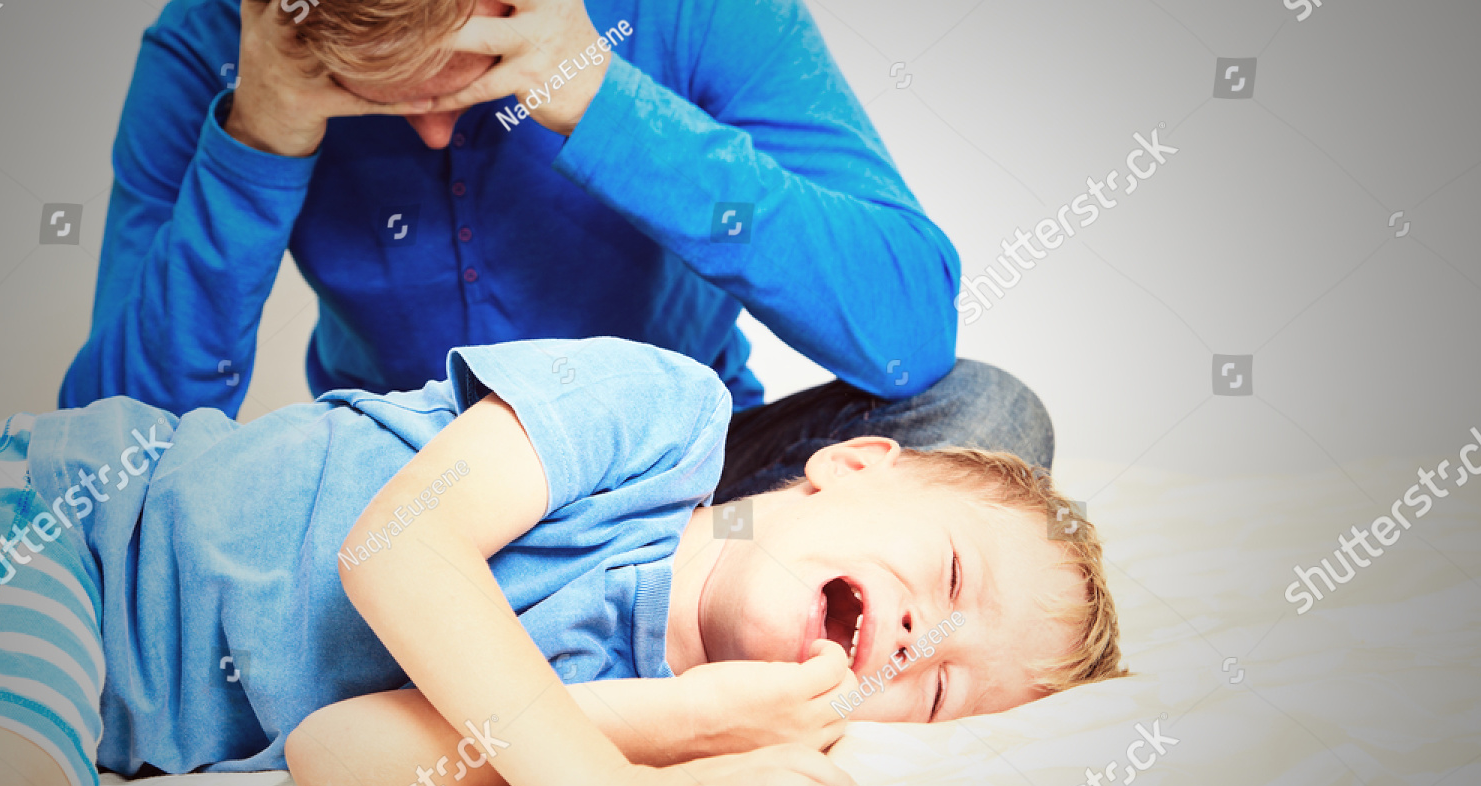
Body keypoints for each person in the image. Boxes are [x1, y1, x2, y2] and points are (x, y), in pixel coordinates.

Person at [0, 337, 1123, 786]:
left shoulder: (651, 711)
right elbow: (394, 548)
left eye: (937, 701)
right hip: (73, 526)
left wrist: (677, 729)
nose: (925, 645)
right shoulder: (660, 419)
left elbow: (334, 759)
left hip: (105, 700)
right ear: (855, 462)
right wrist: (606, 785)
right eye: (956, 578)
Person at [57, 0, 1054, 501]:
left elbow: (909, 329)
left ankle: (530, 633)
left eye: (478, 77)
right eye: (380, 99)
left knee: (984, 418)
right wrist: (259, 135)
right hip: (401, 502)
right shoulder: (215, 49)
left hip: (678, 492)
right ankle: (608, 628)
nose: (436, 133)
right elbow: (113, 459)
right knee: (107, 537)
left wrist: (605, 102)